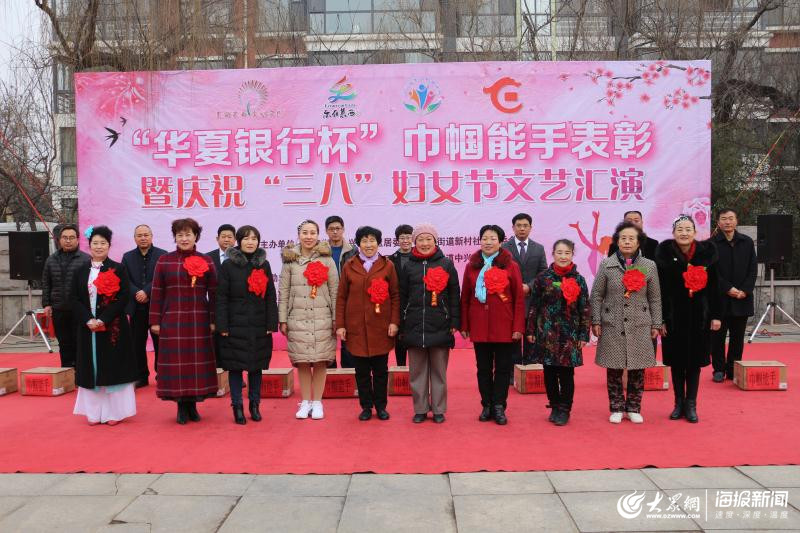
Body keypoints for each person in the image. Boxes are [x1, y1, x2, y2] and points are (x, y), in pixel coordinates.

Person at [591, 222, 662, 424]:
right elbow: (596, 295)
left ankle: (633, 407)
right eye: (623, 238)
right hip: (612, 323)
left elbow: (655, 298)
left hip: (640, 324)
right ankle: (615, 407)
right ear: (617, 241)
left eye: (631, 238)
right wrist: (595, 320)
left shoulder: (649, 266)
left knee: (637, 368)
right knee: (613, 368)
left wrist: (656, 323)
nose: (627, 242)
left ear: (639, 242)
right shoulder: (607, 265)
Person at [149, 218, 218, 425]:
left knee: (195, 365)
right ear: (175, 238)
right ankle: (180, 405)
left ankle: (193, 405)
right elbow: (157, 292)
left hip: (198, 319)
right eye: (180, 235)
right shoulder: (164, 261)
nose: (184, 238)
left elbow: (214, 293)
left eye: (188, 234)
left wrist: (214, 320)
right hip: (173, 319)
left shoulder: (207, 260)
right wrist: (155, 321)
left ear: (196, 236)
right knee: (177, 365)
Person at [656, 214, 722, 423]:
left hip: (699, 318)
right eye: (680, 229)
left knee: (694, 363)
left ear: (695, 232)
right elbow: (660, 291)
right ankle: (678, 403)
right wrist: (662, 320)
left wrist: (716, 316)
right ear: (673, 233)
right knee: (676, 362)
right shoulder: (664, 255)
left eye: (688, 229)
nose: (684, 233)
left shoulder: (706, 255)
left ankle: (691, 404)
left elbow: (715, 288)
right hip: (673, 318)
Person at [72, 226, 138, 425]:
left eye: (103, 243)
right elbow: (74, 298)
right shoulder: (80, 270)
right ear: (89, 245)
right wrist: (88, 319)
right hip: (88, 328)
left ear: (109, 245)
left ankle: (113, 413)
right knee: (91, 368)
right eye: (95, 243)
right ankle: (93, 412)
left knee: (112, 368)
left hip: (113, 328)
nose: (99, 247)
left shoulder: (118, 268)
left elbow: (123, 297)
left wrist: (103, 319)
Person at [460, 224, 525, 425]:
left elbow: (519, 299)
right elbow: (465, 297)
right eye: (485, 238)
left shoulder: (510, 266)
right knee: (483, 368)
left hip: (504, 325)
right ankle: (486, 404)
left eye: (493, 238)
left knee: (503, 369)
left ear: (500, 241)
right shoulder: (472, 266)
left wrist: (517, 328)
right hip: (479, 325)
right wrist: (465, 324)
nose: (488, 242)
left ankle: (499, 406)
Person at [336, 226, 400, 421]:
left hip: (381, 327)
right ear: (358, 244)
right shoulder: (349, 265)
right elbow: (341, 298)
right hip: (356, 327)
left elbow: (396, 295)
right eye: (364, 241)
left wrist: (394, 322)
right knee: (361, 372)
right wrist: (340, 324)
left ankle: (381, 406)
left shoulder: (387, 265)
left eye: (372, 240)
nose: (369, 244)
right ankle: (366, 407)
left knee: (381, 371)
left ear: (378, 243)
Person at [399, 223, 460, 424]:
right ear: (415, 242)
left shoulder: (446, 264)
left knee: (439, 372)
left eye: (428, 239)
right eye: (421, 239)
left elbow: (454, 295)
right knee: (416, 372)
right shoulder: (408, 265)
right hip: (414, 325)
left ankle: (439, 409)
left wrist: (454, 321)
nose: (424, 243)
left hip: (440, 325)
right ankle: (421, 408)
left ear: (435, 241)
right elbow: (402, 296)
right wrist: (402, 321)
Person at [217, 225, 279, 425]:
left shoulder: (264, 264)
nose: (250, 242)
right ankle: (237, 406)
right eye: (246, 238)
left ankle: (254, 404)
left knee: (256, 366)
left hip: (259, 323)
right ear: (239, 241)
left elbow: (270, 295)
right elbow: (221, 298)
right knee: (235, 367)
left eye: (254, 238)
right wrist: (222, 326)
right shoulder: (228, 266)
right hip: (235, 324)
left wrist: (271, 322)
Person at [527, 239, 590, 426]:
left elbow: (585, 308)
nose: (563, 256)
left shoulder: (578, 279)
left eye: (567, 253)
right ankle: (554, 405)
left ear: (572, 255)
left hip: (569, 334)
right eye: (559, 252)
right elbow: (534, 306)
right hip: (546, 332)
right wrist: (531, 329)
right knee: (549, 371)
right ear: (553, 254)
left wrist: (583, 334)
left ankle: (565, 408)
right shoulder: (543, 278)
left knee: (566, 373)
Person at [279, 220, 338, 420]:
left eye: (313, 232)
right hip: (297, 317)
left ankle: (318, 403)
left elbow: (335, 291)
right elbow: (284, 292)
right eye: (305, 232)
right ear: (298, 234)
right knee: (302, 361)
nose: (309, 236)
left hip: (323, 317)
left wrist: (337, 319)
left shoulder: (327, 260)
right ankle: (305, 402)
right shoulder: (290, 261)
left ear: (318, 235)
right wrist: (283, 319)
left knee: (321, 360)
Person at [710, 208, 757, 382]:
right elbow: (712, 272)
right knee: (717, 337)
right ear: (718, 222)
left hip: (742, 298)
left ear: (736, 221)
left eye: (731, 218)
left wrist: (745, 289)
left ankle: (733, 368)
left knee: (738, 337)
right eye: (724, 219)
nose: (727, 222)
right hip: (719, 298)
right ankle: (718, 369)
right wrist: (728, 288)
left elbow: (753, 268)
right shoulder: (711, 244)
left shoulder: (746, 242)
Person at [121, 224, 167, 387]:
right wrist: (137, 293)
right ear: (134, 238)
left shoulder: (163, 256)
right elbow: (124, 280)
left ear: (152, 236)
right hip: (136, 307)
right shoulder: (127, 257)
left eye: (146, 235)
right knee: (136, 344)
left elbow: (163, 279)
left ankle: (162, 374)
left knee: (161, 343)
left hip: (157, 306)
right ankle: (140, 376)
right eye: (139, 235)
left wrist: (146, 291)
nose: (143, 238)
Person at [501, 213, 547, 371]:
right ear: (513, 228)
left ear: (530, 228)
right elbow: (499, 272)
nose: (522, 228)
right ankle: (512, 372)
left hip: (531, 300)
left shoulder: (538, 248)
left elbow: (543, 272)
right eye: (518, 226)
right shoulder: (504, 248)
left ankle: (529, 370)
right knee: (512, 339)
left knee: (531, 338)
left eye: (525, 225)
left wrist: (529, 286)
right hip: (510, 300)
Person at [41, 224, 90, 368]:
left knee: (80, 343)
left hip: (80, 310)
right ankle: (67, 372)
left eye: (71, 238)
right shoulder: (51, 260)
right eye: (65, 238)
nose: (68, 241)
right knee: (64, 342)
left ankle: (81, 374)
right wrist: (47, 304)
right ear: (59, 240)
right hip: (59, 308)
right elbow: (46, 283)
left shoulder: (86, 259)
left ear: (78, 240)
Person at [325, 215, 356, 368]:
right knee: (327, 339)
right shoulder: (320, 251)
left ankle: (348, 376)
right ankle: (330, 377)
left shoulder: (354, 251)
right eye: (331, 229)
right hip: (326, 299)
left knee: (347, 339)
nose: (335, 232)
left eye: (338, 228)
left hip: (349, 299)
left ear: (343, 230)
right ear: (326, 231)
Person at [388, 223, 414, 366]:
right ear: (397, 240)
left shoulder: (420, 257)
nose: (405, 241)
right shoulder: (391, 259)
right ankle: (401, 370)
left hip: (415, 303)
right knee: (400, 341)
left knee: (415, 343)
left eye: (408, 237)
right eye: (402, 238)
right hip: (398, 304)